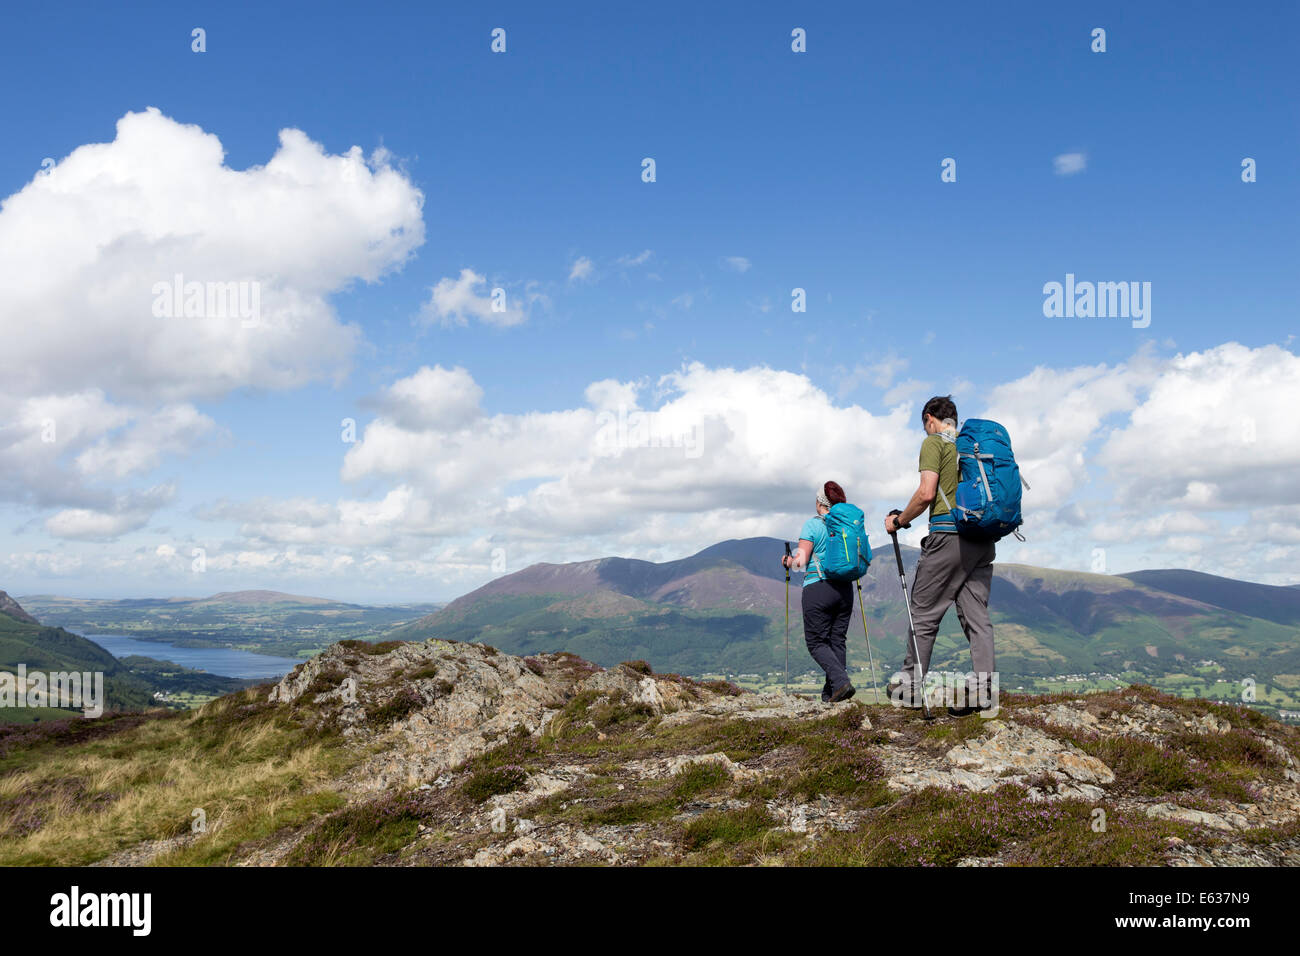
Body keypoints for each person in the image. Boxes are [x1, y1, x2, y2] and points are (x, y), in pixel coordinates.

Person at [883, 396, 995, 716]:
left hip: (949, 537)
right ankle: (982, 693)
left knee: (923, 613)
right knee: (977, 619)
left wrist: (899, 521)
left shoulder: (935, 442)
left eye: (925, 424)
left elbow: (926, 493)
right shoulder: (970, 447)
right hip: (982, 540)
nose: (926, 429)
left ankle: (909, 687)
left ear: (931, 419)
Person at [783, 481, 856, 703]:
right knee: (837, 641)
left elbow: (800, 562)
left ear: (820, 503)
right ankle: (830, 695)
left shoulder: (812, 526)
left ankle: (841, 682)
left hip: (819, 586)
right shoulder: (847, 525)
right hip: (845, 588)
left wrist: (788, 561)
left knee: (816, 642)